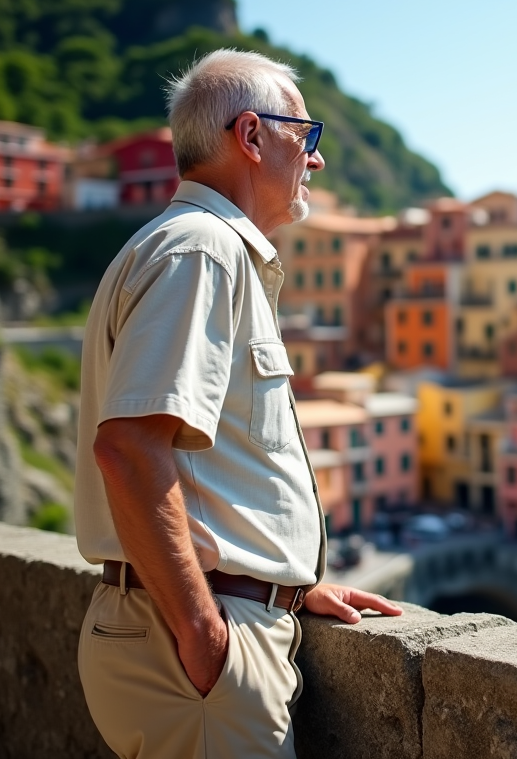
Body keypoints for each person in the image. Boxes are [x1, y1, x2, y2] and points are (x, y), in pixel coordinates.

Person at [73, 48, 402, 759]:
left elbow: (208, 467)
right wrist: (204, 633)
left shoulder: (181, 247)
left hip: (187, 628)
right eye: (305, 135)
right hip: (193, 649)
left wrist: (282, 585)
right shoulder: (204, 253)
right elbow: (128, 449)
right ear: (251, 136)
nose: (316, 159)